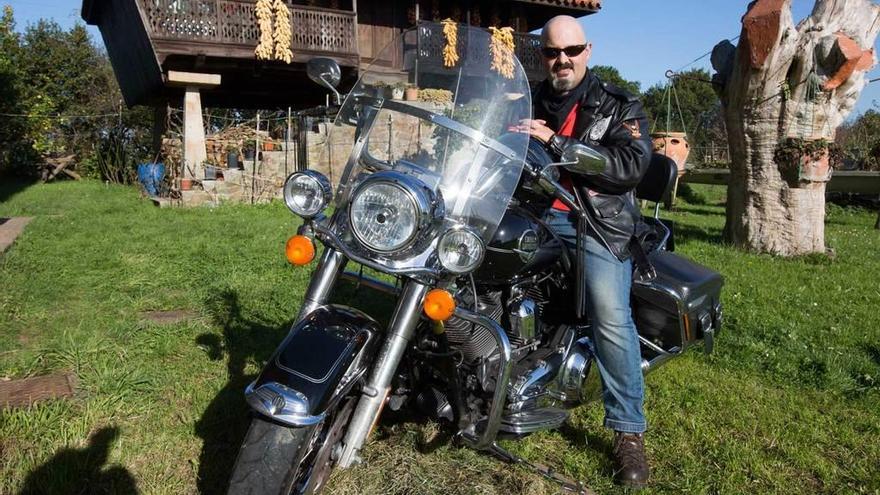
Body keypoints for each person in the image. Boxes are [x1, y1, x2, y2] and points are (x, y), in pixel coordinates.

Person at [513, 15, 653, 488]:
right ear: (543, 55)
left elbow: (631, 165)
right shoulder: (524, 96)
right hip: (531, 212)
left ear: (587, 51)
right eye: (553, 52)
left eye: (571, 51)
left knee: (610, 315)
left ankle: (628, 432)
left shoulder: (618, 103)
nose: (562, 61)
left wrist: (557, 142)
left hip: (592, 219)